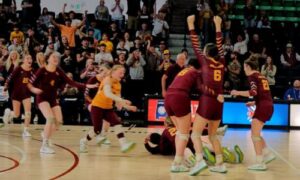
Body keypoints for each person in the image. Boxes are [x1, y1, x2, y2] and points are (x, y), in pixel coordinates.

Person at [28, 52, 97, 154]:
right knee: (50, 118)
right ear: (48, 59)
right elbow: (30, 84)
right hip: (42, 98)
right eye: (53, 57)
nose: (56, 59)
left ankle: (45, 134)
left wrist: (87, 85)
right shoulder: (42, 70)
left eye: (57, 57)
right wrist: (34, 90)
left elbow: (71, 82)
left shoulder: (58, 70)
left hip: (52, 99)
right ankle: (44, 145)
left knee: (59, 122)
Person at [163, 57, 224, 173]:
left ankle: (178, 162)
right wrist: (215, 94)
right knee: (185, 134)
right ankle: (178, 163)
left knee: (179, 132)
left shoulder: (183, 71)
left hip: (168, 97)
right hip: (179, 97)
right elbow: (201, 87)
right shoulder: (196, 72)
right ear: (199, 67)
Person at [188, 15, 227, 175]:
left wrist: (191, 24)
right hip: (219, 103)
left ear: (206, 53)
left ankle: (199, 161)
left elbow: (195, 43)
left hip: (207, 101)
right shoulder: (222, 62)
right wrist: (218, 25)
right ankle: (220, 163)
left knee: (195, 134)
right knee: (212, 136)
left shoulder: (204, 61)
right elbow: (221, 45)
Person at [231, 56, 276, 171]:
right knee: (257, 133)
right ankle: (267, 154)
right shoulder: (261, 76)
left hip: (263, 106)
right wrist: (253, 102)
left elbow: (253, 91)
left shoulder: (252, 76)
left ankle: (260, 162)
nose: (243, 70)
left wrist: (237, 92)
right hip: (268, 105)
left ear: (248, 66)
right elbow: (262, 93)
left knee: (254, 135)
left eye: (244, 67)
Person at [79, 65, 137, 153]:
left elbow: (118, 102)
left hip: (108, 108)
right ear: (113, 72)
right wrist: (123, 100)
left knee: (117, 123)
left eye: (123, 73)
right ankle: (83, 141)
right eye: (120, 72)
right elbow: (108, 94)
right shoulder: (107, 79)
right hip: (97, 106)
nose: (122, 75)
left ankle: (124, 144)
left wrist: (128, 107)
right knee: (97, 130)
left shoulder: (118, 85)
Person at [144, 125, 244, 165]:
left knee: (189, 152)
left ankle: (201, 161)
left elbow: (153, 151)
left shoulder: (161, 146)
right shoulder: (168, 129)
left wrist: (146, 144)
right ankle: (230, 153)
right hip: (190, 139)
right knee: (203, 143)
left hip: (184, 147)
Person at [4, 54, 34, 137]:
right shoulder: (18, 69)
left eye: (31, 58)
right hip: (16, 93)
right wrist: (6, 85)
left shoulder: (32, 71)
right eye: (28, 58)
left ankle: (26, 130)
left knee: (28, 112)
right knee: (17, 114)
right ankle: (9, 113)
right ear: (24, 60)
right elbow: (10, 77)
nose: (29, 59)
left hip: (26, 94)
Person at [84, 65, 112, 145]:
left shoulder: (108, 81)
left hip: (102, 102)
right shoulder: (92, 80)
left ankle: (102, 137)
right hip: (91, 102)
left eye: (107, 73)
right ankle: (94, 136)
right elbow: (86, 95)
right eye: (104, 72)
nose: (105, 74)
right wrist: (94, 103)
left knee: (107, 119)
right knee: (101, 117)